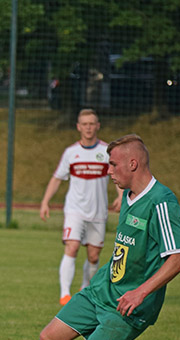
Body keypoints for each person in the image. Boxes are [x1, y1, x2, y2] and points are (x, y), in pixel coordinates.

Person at [25, 134, 180, 340]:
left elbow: (178, 258)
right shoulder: (128, 196)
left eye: (113, 164)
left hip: (130, 305)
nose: (108, 170)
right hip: (101, 290)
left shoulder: (161, 202)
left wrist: (140, 292)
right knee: (50, 337)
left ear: (132, 163)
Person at [40, 108, 123, 306]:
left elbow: (118, 176)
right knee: (72, 246)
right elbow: (57, 178)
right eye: (84, 124)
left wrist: (120, 196)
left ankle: (85, 287)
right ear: (78, 127)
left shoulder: (105, 152)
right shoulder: (71, 153)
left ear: (98, 126)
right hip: (74, 210)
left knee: (94, 255)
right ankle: (64, 294)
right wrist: (45, 202)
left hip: (98, 211)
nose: (88, 127)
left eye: (92, 123)